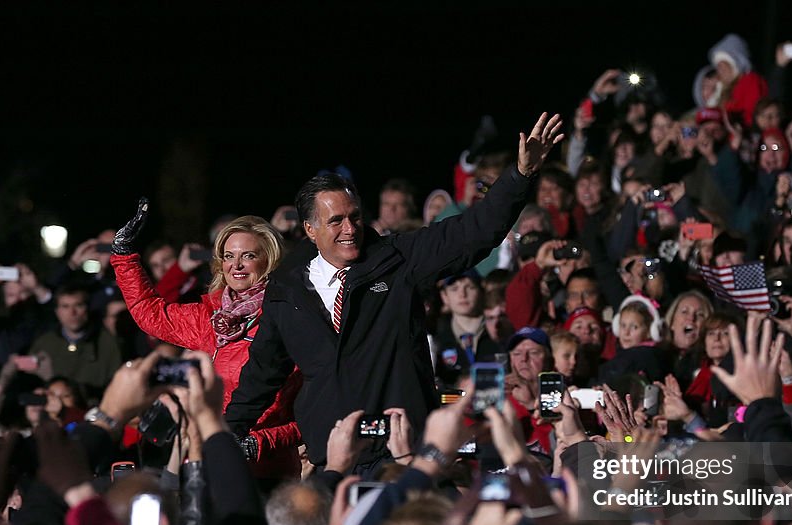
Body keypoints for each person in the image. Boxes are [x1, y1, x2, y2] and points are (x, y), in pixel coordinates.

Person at [225, 113, 564, 469]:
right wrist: (227, 433)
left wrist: (519, 176)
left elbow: (472, 233)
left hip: (401, 451)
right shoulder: (287, 288)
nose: (350, 229)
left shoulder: (397, 259)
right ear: (310, 229)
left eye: (354, 216)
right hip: (333, 457)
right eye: (335, 221)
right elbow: (263, 371)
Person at [109, 209, 302, 478]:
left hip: (269, 470)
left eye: (248, 255)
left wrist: (257, 443)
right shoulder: (209, 317)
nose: (236, 265)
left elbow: (312, 413)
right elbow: (149, 314)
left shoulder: (292, 317)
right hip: (213, 460)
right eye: (229, 256)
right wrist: (124, 255)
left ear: (269, 260)